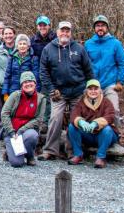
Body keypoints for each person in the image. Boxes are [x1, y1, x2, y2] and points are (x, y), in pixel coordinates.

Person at [38, 21, 94, 161]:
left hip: (77, 90)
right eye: (62, 30)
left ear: (71, 32)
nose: (65, 33)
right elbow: (43, 72)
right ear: (57, 32)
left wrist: (90, 89)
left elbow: (88, 70)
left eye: (67, 31)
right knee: (55, 118)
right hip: (58, 92)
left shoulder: (79, 48)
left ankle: (73, 151)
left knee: (75, 121)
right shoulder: (48, 49)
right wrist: (51, 89)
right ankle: (50, 150)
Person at [66, 79, 119, 168]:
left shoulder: (106, 102)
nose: (93, 91)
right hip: (88, 134)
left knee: (107, 129)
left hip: (104, 135)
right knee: (72, 127)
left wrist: (96, 123)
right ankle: (78, 155)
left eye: (96, 89)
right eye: (90, 89)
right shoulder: (81, 102)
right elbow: (74, 115)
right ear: (86, 91)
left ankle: (101, 157)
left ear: (100, 90)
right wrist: (80, 121)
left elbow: (110, 116)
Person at [84, 15, 124, 119]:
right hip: (93, 84)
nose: (100, 28)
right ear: (94, 28)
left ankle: (115, 134)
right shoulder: (88, 44)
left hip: (110, 84)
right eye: (98, 25)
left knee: (114, 110)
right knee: (90, 113)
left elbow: (122, 63)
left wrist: (120, 82)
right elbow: (84, 65)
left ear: (107, 27)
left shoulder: (115, 43)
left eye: (103, 25)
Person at [0, 71, 46, 167]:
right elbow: (4, 113)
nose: (28, 84)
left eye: (30, 81)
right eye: (25, 82)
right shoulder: (15, 96)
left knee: (32, 136)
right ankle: (9, 151)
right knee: (17, 163)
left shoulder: (41, 99)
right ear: (21, 85)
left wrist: (21, 130)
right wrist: (12, 132)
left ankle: (30, 156)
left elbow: (38, 119)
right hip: (12, 132)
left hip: (27, 131)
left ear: (35, 83)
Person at [30, 15, 56, 126]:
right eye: (40, 25)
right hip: (39, 74)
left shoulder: (55, 39)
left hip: (54, 73)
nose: (42, 27)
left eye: (44, 25)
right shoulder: (33, 40)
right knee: (42, 100)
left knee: (53, 100)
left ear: (49, 26)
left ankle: (52, 124)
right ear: (37, 27)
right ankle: (43, 124)